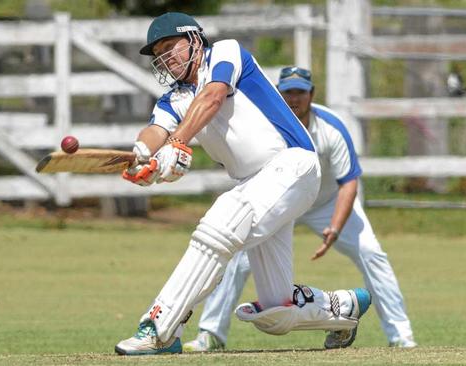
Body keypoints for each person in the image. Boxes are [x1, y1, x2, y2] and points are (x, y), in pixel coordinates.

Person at [114, 12, 371, 356]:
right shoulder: (174, 99)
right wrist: (143, 153)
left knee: (221, 223)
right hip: (257, 185)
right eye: (158, 53)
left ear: (193, 39)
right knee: (275, 313)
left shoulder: (226, 52)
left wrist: (177, 144)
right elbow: (156, 130)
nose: (165, 57)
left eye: (169, 46)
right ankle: (342, 307)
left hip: (293, 164)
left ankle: (160, 327)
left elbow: (213, 97)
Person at [183, 66, 416, 352]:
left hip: (327, 203)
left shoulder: (331, 126)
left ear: (311, 94)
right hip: (280, 199)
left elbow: (349, 182)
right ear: (278, 94)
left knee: (371, 252)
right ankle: (211, 333)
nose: (294, 98)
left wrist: (335, 228)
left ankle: (401, 336)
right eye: (288, 92)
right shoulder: (262, 122)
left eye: (300, 92)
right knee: (237, 252)